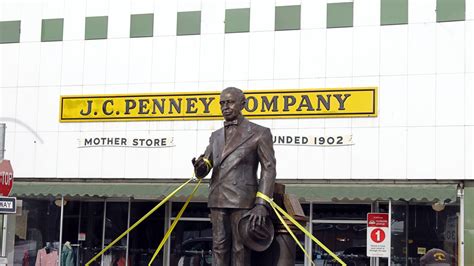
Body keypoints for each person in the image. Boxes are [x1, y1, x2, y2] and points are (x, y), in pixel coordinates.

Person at [192, 87, 276, 265]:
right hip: (217, 198)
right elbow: (206, 166)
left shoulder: (260, 132)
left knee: (240, 248)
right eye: (222, 103)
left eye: (229, 102)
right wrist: (199, 167)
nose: (225, 107)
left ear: (242, 104)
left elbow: (268, 169)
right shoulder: (215, 136)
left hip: (243, 199)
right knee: (218, 247)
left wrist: (261, 203)